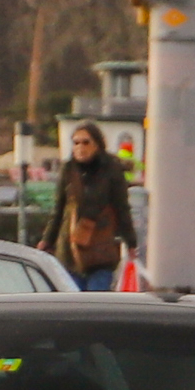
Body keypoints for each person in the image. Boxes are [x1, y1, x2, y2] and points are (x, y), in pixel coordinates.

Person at [37, 124, 138, 290]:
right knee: (73, 301)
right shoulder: (68, 169)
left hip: (100, 249)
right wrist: (47, 240)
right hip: (70, 249)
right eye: (76, 143)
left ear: (97, 144)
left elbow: (122, 208)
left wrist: (131, 242)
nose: (80, 148)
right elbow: (59, 209)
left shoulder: (111, 169)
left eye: (86, 142)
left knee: (95, 303)